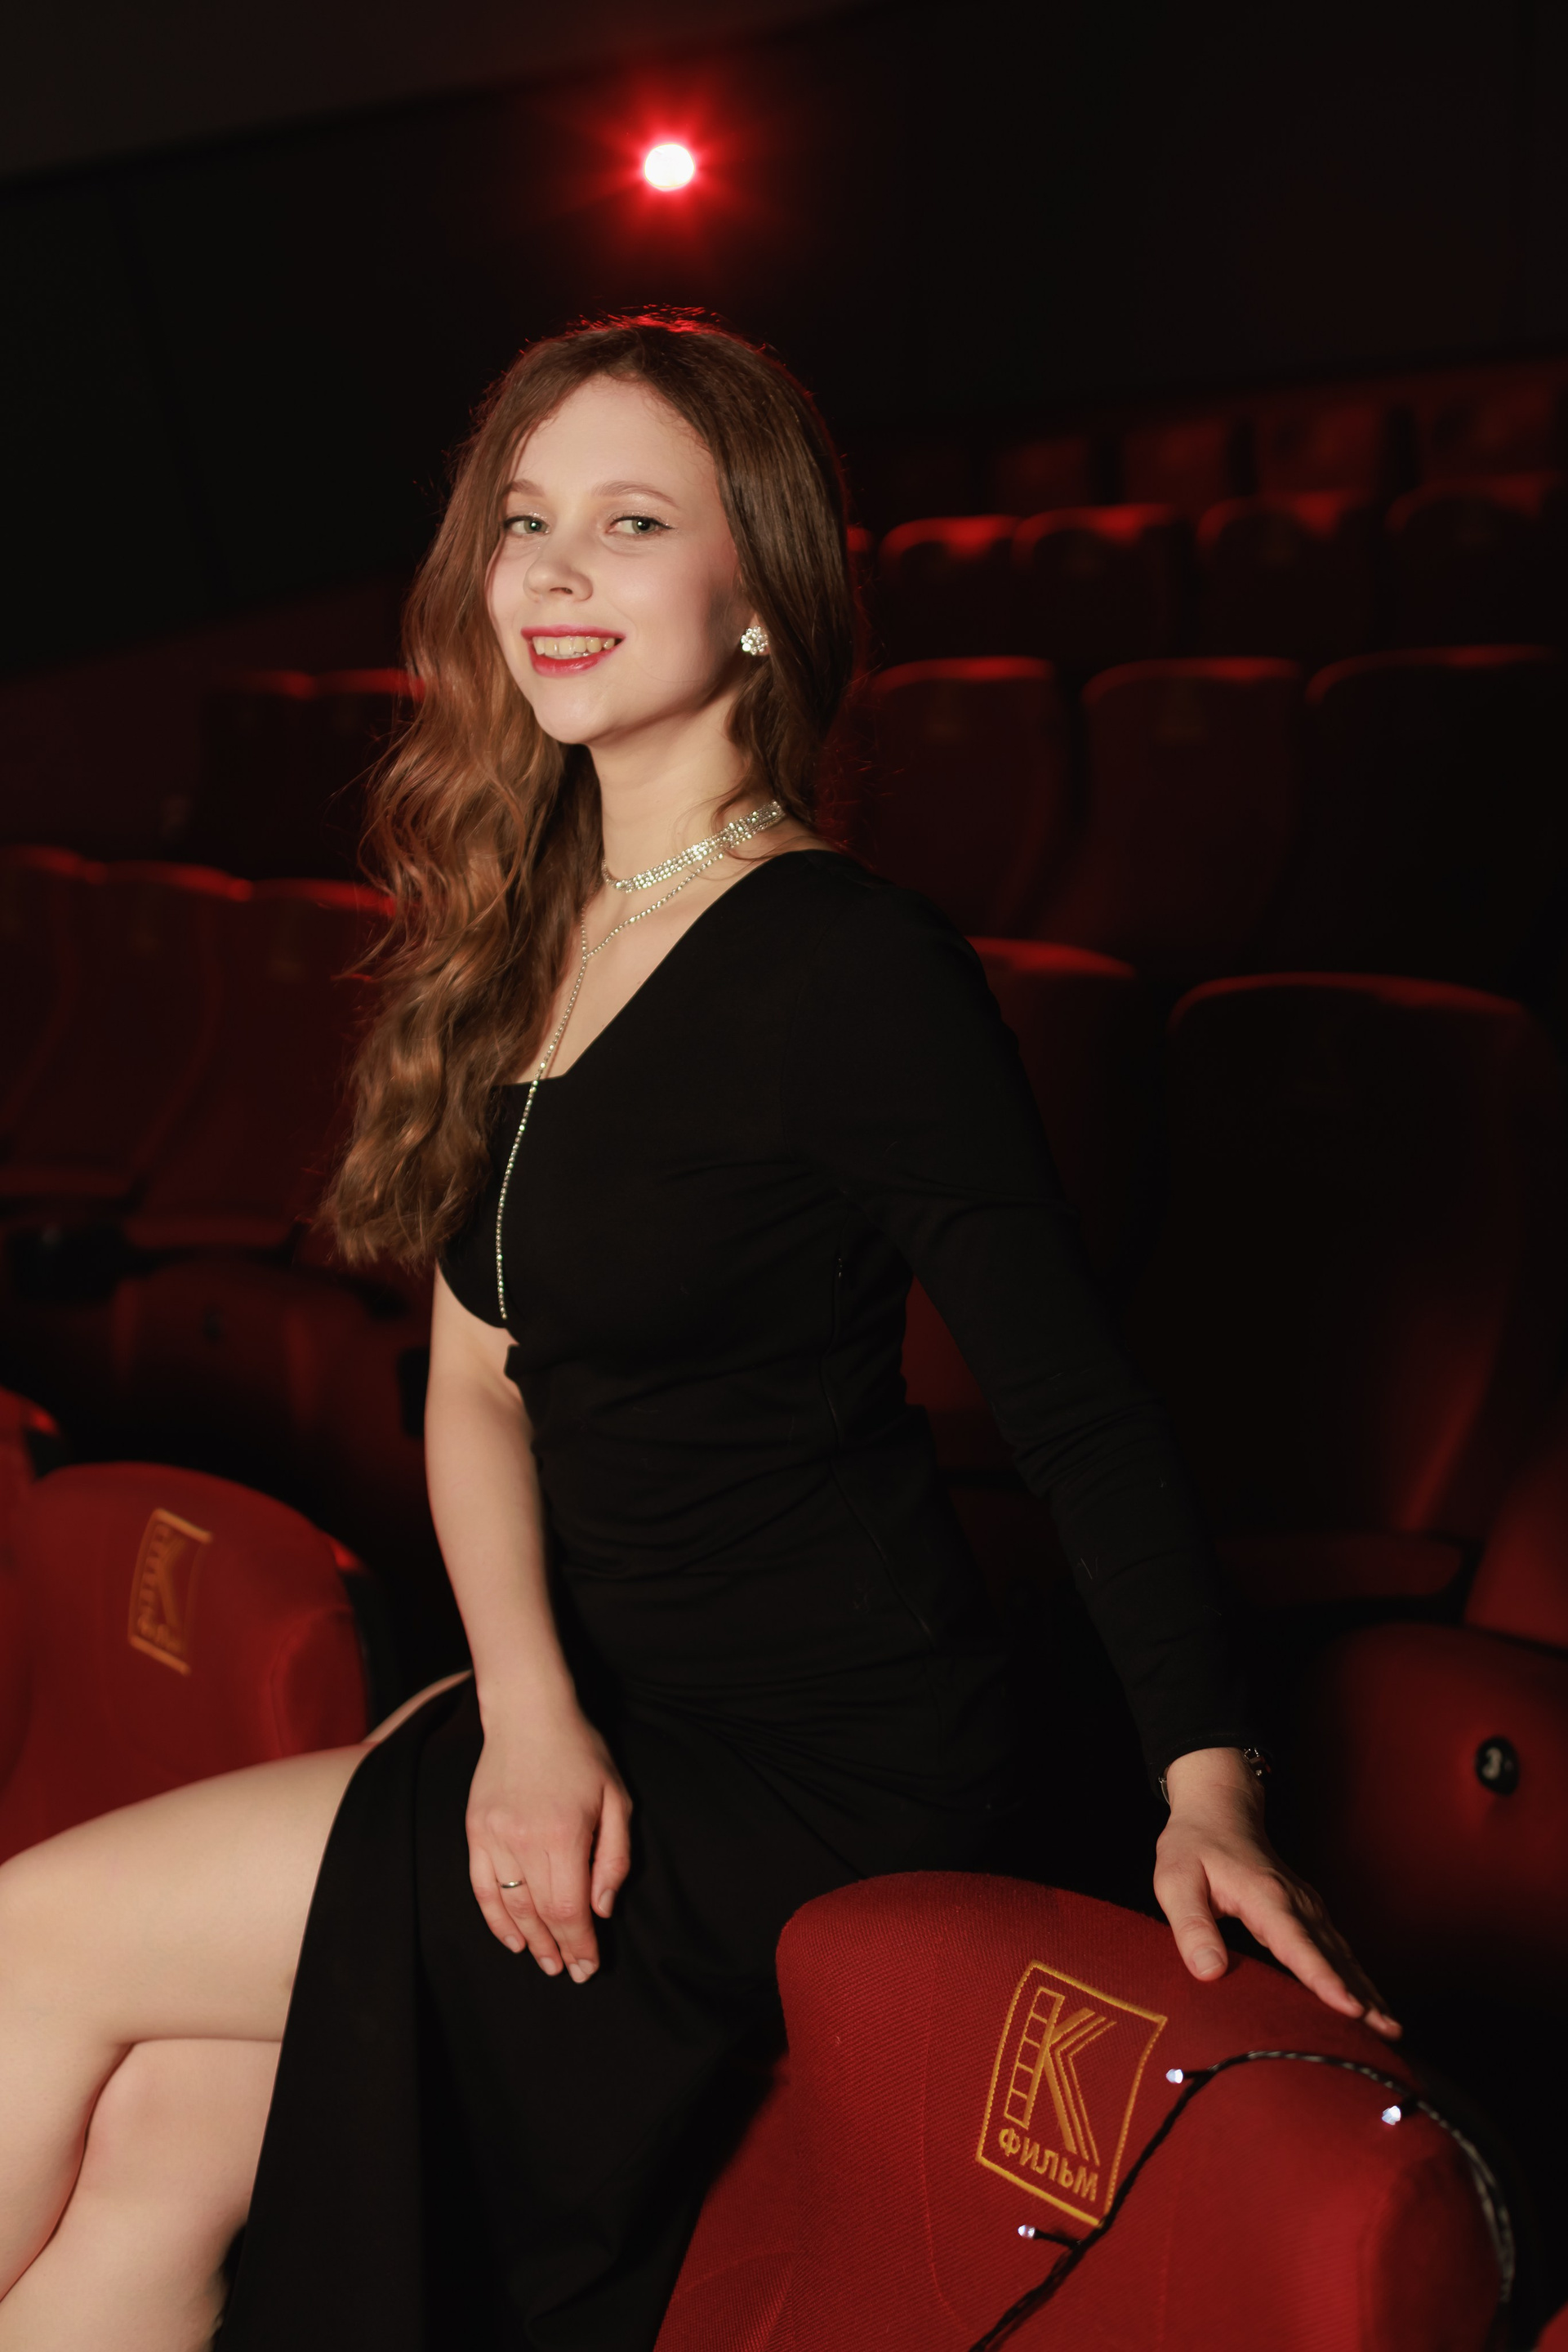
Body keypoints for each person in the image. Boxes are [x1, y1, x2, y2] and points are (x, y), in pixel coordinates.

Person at [0, 313, 1397, 2352]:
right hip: (597, 1703)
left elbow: (1080, 1410)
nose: (554, 571)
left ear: (761, 596)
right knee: (161, 2146)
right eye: (525, 522)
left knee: (28, 1947)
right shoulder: (535, 922)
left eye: (631, 523)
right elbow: (479, 1387)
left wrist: (1211, 1778)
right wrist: (526, 1713)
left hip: (804, 1760)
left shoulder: (853, 967)